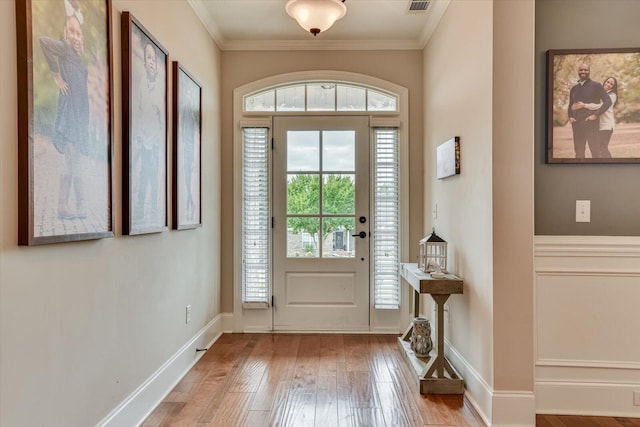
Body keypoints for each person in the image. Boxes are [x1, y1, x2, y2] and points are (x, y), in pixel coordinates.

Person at [39, 13, 89, 220]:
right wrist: (56, 75)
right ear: (65, 34)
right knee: (73, 161)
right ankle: (79, 204)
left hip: (78, 119)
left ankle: (64, 206)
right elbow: (43, 42)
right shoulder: (65, 49)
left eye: (79, 33)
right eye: (71, 32)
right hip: (69, 117)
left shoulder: (79, 61)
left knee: (72, 161)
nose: (76, 37)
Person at [134, 40, 164, 226]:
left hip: (156, 141)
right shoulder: (142, 85)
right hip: (144, 138)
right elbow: (138, 109)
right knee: (144, 174)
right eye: (148, 58)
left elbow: (164, 117)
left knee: (152, 175)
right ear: (144, 63)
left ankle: (153, 210)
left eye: (154, 58)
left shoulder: (161, 87)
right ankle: (139, 210)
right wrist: (138, 134)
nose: (151, 62)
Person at [568, 63, 612, 159]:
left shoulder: (596, 85)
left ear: (589, 71)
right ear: (578, 72)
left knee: (595, 154)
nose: (583, 72)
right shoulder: (574, 89)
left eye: (585, 70)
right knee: (579, 154)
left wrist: (595, 115)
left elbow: (608, 102)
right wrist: (570, 116)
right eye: (581, 70)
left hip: (591, 124)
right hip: (577, 125)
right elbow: (570, 105)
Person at [576, 77, 618, 158]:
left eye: (611, 84)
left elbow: (601, 106)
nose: (608, 84)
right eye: (608, 82)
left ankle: (612, 166)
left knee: (602, 148)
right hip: (598, 125)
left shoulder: (612, 95)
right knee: (599, 149)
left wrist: (584, 105)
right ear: (605, 81)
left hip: (606, 125)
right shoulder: (601, 94)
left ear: (613, 87)